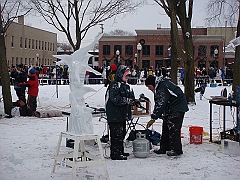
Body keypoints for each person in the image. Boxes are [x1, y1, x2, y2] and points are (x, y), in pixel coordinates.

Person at [145, 75, 189, 156]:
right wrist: (163, 114)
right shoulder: (160, 85)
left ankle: (176, 150)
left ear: (153, 84)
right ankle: (165, 147)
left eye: (149, 86)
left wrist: (154, 117)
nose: (149, 89)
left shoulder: (162, 86)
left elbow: (161, 103)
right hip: (171, 108)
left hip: (178, 108)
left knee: (173, 128)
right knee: (165, 127)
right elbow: (162, 101)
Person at [105, 65, 136, 160]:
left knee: (122, 133)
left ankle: (120, 150)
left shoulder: (126, 86)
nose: (127, 78)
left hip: (122, 115)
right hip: (114, 115)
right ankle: (115, 153)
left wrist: (133, 100)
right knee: (116, 135)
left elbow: (130, 97)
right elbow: (115, 99)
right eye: (126, 76)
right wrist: (127, 100)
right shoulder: (114, 85)